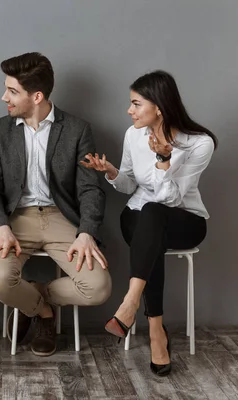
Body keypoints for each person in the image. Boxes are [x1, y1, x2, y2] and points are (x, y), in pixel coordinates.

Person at [83, 70, 217, 376]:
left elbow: (169, 198)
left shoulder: (199, 144)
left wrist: (164, 161)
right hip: (140, 217)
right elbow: (132, 187)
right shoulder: (133, 134)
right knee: (148, 227)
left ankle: (131, 304)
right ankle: (156, 331)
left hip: (185, 219)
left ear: (158, 106)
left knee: (154, 214)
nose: (129, 111)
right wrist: (113, 173)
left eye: (135, 103)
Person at [0, 52, 112, 357]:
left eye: (12, 91)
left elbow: (90, 188)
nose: (4, 97)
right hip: (15, 219)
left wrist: (86, 232)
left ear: (36, 96)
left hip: (61, 218)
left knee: (99, 288)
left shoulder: (77, 130)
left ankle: (36, 297)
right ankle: (45, 315)